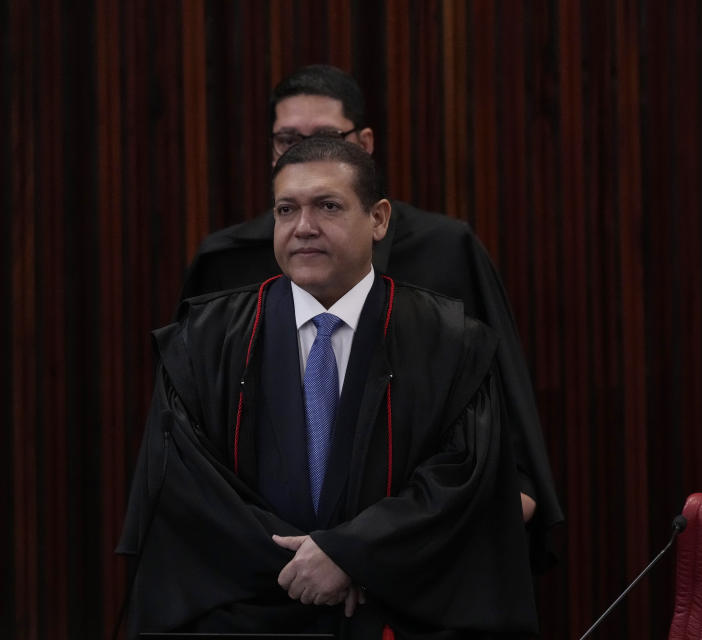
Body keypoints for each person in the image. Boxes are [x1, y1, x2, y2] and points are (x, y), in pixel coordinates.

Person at [118, 136, 539, 638]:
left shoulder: (451, 342)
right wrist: (312, 567)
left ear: (378, 219)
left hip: (393, 613)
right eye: (286, 209)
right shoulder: (204, 340)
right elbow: (188, 493)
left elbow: (463, 486)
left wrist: (354, 556)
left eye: (328, 206)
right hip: (246, 616)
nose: (303, 228)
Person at [181, 64, 562, 564]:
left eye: (324, 137)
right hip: (263, 572)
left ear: (363, 142)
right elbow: (194, 452)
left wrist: (360, 555)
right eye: (286, 140)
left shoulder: (446, 252)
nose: (303, 152)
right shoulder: (226, 264)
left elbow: (494, 437)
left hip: (411, 562)